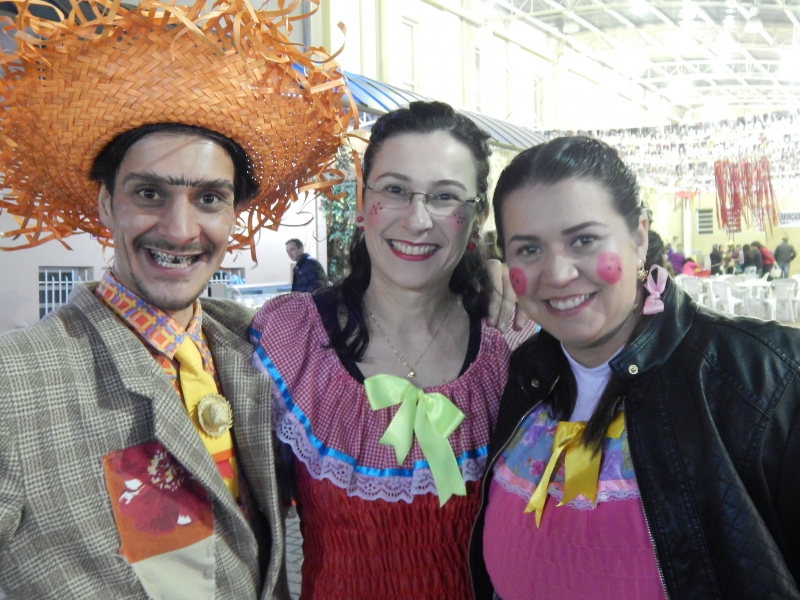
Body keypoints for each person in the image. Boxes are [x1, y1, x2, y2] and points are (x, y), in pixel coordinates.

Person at [0, 0, 351, 597]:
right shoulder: (16, 380)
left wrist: (476, 295)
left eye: (209, 199)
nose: (181, 230)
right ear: (106, 203)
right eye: (149, 194)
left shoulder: (260, 345)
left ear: (234, 214)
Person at [470, 136, 800, 599]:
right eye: (528, 250)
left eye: (584, 240)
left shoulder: (760, 378)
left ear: (639, 236)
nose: (558, 274)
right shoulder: (526, 373)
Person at [251, 101, 531, 600]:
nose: (418, 220)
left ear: (477, 217)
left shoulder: (514, 345)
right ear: (363, 201)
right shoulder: (292, 339)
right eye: (396, 190)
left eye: (445, 197)